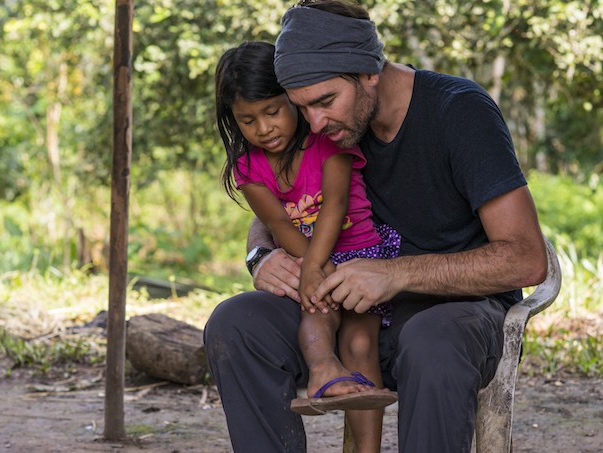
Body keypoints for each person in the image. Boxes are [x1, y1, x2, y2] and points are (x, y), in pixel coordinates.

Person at [204, 1, 548, 452]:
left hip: (453, 316)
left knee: (431, 340)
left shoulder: (460, 112)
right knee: (236, 322)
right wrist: (261, 255)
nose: (316, 123)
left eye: (326, 102)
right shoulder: (325, 124)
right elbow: (278, 210)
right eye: (302, 108)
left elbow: (525, 258)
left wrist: (395, 274)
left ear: (370, 72)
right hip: (343, 309)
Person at [214, 41, 399, 451]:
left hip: (361, 256)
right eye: (247, 120)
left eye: (272, 112)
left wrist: (320, 266)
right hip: (308, 258)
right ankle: (322, 373)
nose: (263, 129)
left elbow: (334, 207)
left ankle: (365, 448)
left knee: (361, 341)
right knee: (316, 318)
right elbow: (277, 223)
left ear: (293, 101)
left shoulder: (328, 142)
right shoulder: (248, 169)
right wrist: (312, 270)